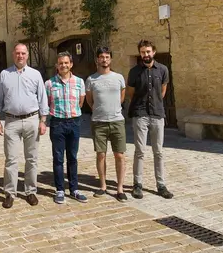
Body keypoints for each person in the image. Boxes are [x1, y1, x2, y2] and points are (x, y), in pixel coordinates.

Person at [0, 43, 49, 208]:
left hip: (32, 120)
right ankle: (9, 193)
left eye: (23, 53)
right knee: (11, 159)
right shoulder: (4, 74)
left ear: (27, 55)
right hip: (11, 121)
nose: (20, 56)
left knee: (31, 159)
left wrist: (43, 121)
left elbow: (42, 98)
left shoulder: (35, 74)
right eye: (17, 53)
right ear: (13, 55)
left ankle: (30, 191)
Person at [127, 40, 173, 200]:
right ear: (140, 54)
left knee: (158, 152)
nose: (145, 55)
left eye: (148, 52)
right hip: (140, 115)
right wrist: (141, 106)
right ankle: (137, 184)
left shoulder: (162, 70)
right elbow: (131, 92)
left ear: (153, 52)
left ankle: (161, 185)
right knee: (140, 151)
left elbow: (162, 91)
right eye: (142, 52)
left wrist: (155, 104)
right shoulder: (134, 72)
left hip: (157, 114)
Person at [86, 46, 128, 202]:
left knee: (119, 155)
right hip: (99, 122)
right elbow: (90, 100)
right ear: (97, 59)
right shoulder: (91, 79)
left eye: (107, 57)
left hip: (117, 121)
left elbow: (122, 96)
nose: (104, 59)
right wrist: (99, 110)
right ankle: (103, 186)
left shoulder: (118, 77)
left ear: (110, 59)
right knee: (101, 154)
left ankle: (120, 188)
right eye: (102, 57)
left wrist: (113, 109)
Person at [45, 51, 87, 204]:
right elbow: (47, 103)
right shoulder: (49, 84)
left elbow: (81, 102)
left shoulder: (79, 82)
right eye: (61, 63)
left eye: (66, 63)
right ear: (57, 65)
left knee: (73, 157)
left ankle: (74, 188)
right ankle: (60, 190)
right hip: (57, 123)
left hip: (74, 122)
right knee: (58, 158)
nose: (63, 65)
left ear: (71, 64)